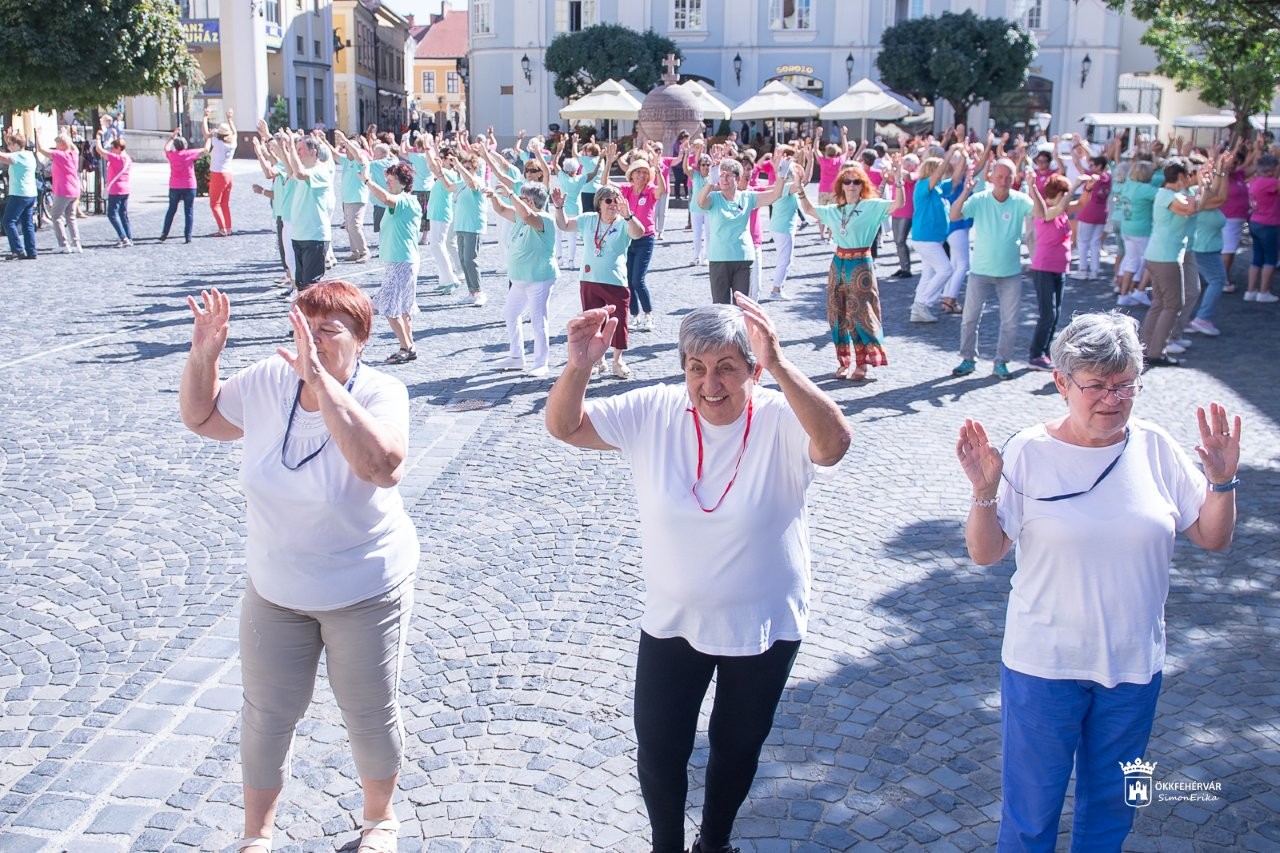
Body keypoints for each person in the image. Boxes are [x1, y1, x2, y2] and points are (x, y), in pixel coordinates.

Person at [545, 297, 851, 853]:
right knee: (660, 751)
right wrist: (579, 366)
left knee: (738, 747)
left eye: (728, 367)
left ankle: (714, 843)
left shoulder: (782, 416)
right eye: (697, 368)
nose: (711, 383)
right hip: (673, 621)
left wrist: (781, 364)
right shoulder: (655, 410)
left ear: (753, 372)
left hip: (763, 624)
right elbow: (565, 427)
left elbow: (834, 445)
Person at [956, 310, 1240, 853]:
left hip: (1133, 665)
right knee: (1030, 815)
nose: (1112, 398)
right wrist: (984, 491)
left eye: (1124, 385)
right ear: (1062, 383)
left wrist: (1222, 482)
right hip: (1044, 665)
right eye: (1096, 386)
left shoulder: (1155, 447)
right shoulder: (1028, 452)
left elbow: (1212, 537)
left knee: (1112, 811)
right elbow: (986, 552)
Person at [179, 282, 418, 853]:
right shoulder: (268, 380)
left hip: (364, 585)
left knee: (368, 707)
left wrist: (322, 384)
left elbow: (381, 467)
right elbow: (202, 418)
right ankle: (256, 834)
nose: (312, 341)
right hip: (276, 586)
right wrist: (203, 355)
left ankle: (379, 820)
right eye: (305, 326)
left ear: (362, 339)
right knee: (265, 712)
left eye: (329, 330)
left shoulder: (383, 392)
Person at [797, 157, 902, 380]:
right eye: (847, 181)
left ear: (863, 185)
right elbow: (808, 209)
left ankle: (862, 363)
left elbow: (898, 205)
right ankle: (843, 361)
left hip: (860, 264)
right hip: (838, 263)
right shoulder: (834, 210)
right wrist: (799, 188)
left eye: (856, 181)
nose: (852, 185)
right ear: (841, 185)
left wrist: (899, 179)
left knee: (859, 315)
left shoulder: (871, 206)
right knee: (837, 315)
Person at [949, 158, 1034, 380]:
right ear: (991, 177)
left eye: (1008, 177)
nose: (1004, 181)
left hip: (1010, 272)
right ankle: (968, 359)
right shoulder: (979, 199)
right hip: (981, 270)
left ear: (1015, 178)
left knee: (1010, 322)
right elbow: (954, 215)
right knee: (969, 318)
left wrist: (1033, 187)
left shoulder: (1020, 200)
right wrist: (965, 192)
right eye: (1000, 177)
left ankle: (1001, 362)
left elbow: (1043, 214)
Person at [552, 182, 644, 378]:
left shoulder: (623, 222)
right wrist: (559, 208)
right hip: (589, 279)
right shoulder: (588, 219)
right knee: (593, 322)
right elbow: (564, 225)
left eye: (617, 200)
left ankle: (617, 360)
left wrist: (628, 215)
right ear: (599, 203)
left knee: (619, 322)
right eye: (608, 200)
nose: (613, 204)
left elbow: (639, 233)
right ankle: (598, 360)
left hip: (616, 281)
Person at [486, 181, 557, 376]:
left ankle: (541, 362)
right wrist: (493, 197)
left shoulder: (543, 219)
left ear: (532, 202)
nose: (519, 201)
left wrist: (510, 194)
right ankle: (516, 356)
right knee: (510, 313)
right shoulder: (520, 215)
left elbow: (527, 215)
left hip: (539, 278)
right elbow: (501, 209)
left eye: (523, 198)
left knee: (538, 321)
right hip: (519, 279)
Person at [1026, 171, 1094, 371]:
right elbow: (1057, 208)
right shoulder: (1043, 211)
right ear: (1061, 192)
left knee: (1055, 315)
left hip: (1059, 268)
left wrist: (1088, 188)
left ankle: (1045, 353)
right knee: (1047, 313)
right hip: (1044, 268)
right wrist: (1074, 187)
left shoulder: (1062, 210)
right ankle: (1036, 354)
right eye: (1067, 192)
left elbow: (1081, 204)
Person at [696, 156, 788, 305]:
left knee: (742, 306)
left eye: (728, 175)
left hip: (743, 258)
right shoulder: (714, 198)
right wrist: (710, 182)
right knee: (721, 308)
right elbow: (700, 202)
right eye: (721, 175)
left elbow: (774, 196)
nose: (724, 179)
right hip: (719, 258)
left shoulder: (747, 197)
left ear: (737, 179)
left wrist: (782, 175)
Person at [599, 143, 667, 331]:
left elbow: (662, 190)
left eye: (644, 173)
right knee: (628, 280)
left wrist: (658, 169)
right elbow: (605, 183)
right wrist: (608, 163)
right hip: (627, 238)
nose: (641, 176)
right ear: (631, 175)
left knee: (638, 280)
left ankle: (648, 314)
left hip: (645, 239)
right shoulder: (626, 191)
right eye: (638, 173)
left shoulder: (650, 191)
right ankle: (635, 315)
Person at [1140, 161, 1201, 367]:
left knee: (1159, 303)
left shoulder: (1167, 194)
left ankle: (1148, 348)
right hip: (1166, 257)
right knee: (1173, 304)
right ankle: (1156, 351)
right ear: (1181, 176)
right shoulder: (1168, 196)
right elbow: (1191, 209)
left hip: (1159, 254)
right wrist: (1203, 185)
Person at [361, 161, 423, 363]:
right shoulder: (403, 201)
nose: (387, 181)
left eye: (391, 178)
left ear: (403, 182)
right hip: (400, 261)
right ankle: (410, 344)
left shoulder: (404, 201)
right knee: (403, 308)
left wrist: (368, 181)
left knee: (388, 307)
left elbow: (386, 198)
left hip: (401, 262)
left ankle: (405, 348)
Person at [279, 131, 334, 291]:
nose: (298, 153)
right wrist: (284, 149)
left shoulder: (320, 171)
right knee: (302, 284)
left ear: (313, 151)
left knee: (311, 285)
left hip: (315, 236)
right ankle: (304, 315)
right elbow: (291, 172)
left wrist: (290, 146)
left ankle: (314, 316)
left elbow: (300, 174)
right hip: (300, 235)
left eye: (300, 149)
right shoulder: (303, 170)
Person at [908, 153, 957, 323]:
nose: (943, 172)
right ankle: (921, 304)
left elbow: (957, 177)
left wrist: (964, 156)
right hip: (926, 238)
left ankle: (918, 311)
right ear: (933, 171)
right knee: (946, 270)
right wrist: (950, 152)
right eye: (940, 170)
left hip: (934, 238)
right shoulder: (923, 185)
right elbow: (938, 174)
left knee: (928, 273)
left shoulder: (938, 188)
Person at [1187, 154, 1232, 336]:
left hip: (1206, 246)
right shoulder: (1195, 194)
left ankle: (1195, 319)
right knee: (1217, 280)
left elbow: (1217, 190)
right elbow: (1221, 198)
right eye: (1205, 171)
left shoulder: (1203, 191)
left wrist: (1221, 169)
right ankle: (1201, 318)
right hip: (1202, 247)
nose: (1209, 175)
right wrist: (1224, 172)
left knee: (1197, 285)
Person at [160, 128, 210, 244]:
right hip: (189, 185)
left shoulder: (172, 155)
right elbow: (206, 150)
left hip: (174, 185)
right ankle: (188, 236)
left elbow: (166, 148)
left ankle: (164, 233)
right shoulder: (189, 154)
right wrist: (209, 138)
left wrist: (172, 136)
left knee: (171, 210)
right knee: (189, 211)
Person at [453, 148, 489, 307]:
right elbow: (447, 185)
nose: (465, 170)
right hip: (461, 225)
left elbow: (472, 183)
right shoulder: (461, 183)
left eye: (468, 168)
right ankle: (471, 292)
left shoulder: (478, 181)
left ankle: (479, 292)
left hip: (473, 226)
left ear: (475, 168)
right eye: (464, 167)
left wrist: (460, 168)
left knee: (470, 259)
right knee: (463, 260)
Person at [1244, 152, 1280, 303]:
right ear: (1271, 171)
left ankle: (1251, 290)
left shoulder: (1255, 181)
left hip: (1255, 221)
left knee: (1257, 259)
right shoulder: (1269, 182)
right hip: (1269, 224)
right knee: (1270, 259)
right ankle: (1263, 291)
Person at [0, 127, 39, 260]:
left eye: (10, 144)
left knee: (8, 221)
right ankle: (31, 251)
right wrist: (7, 140)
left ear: (17, 145)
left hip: (19, 194)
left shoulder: (19, 156)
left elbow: (3, 157)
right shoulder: (29, 155)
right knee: (27, 223)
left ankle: (17, 250)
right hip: (30, 193)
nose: (9, 147)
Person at [334, 130, 371, 263]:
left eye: (351, 147)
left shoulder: (361, 159)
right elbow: (333, 154)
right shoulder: (346, 160)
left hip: (358, 198)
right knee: (349, 227)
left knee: (355, 225)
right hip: (347, 198)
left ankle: (364, 252)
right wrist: (322, 140)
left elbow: (357, 154)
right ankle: (355, 252)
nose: (348, 150)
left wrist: (345, 140)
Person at [93, 131, 133, 248]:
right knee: (123, 214)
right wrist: (115, 137)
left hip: (116, 189)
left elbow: (99, 150)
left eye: (112, 148)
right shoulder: (127, 158)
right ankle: (128, 237)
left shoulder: (116, 158)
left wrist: (97, 137)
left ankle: (123, 237)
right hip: (125, 189)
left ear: (118, 148)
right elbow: (118, 145)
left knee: (112, 214)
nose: (111, 150)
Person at [203, 106, 238, 236]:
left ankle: (222, 229)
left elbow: (206, 133)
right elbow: (235, 132)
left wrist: (205, 117)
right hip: (229, 174)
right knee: (225, 204)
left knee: (214, 203)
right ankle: (228, 227)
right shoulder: (233, 142)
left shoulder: (217, 142)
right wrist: (230, 119)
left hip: (218, 174)